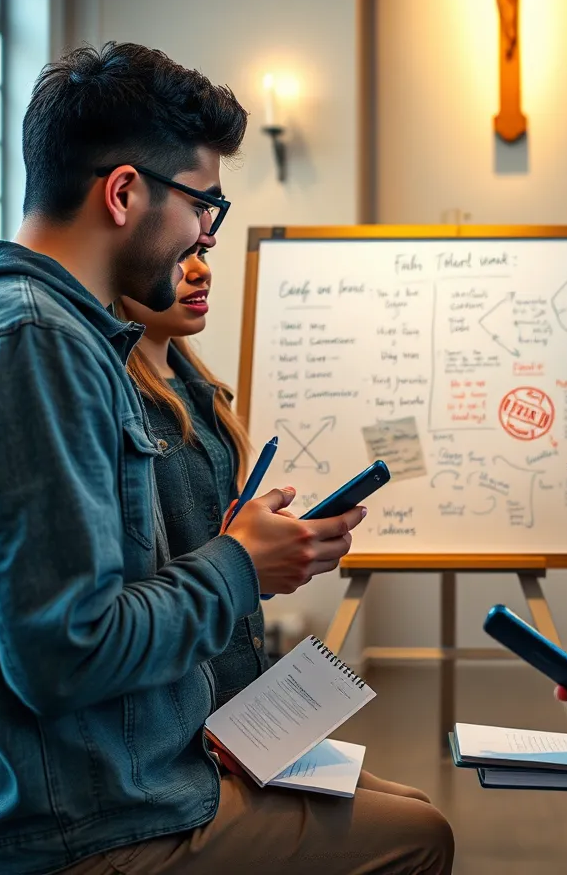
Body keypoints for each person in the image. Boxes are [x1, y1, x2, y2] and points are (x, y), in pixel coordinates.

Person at [0, 43, 453, 875]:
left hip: (124, 773)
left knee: (403, 809)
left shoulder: (55, 331)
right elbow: (64, 652)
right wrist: (239, 563)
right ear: (124, 193)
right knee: (419, 839)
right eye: (204, 206)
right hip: (92, 821)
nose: (205, 235)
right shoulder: (38, 340)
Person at [118, 245, 441, 802]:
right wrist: (247, 560)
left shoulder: (201, 389)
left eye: (201, 251)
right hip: (197, 723)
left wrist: (267, 552)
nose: (200, 270)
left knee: (410, 804)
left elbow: (210, 556)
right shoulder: (123, 399)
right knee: (415, 828)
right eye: (178, 255)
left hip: (245, 696)